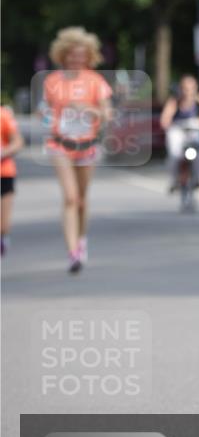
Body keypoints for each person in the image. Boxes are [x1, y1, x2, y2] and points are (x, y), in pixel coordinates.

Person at [41, 27, 113, 273]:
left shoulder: (95, 81)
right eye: (72, 55)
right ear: (63, 55)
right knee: (70, 197)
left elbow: (107, 114)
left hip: (87, 144)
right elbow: (45, 112)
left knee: (81, 200)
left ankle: (81, 240)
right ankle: (72, 253)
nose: (77, 59)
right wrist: (46, 117)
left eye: (82, 55)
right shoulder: (52, 81)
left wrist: (88, 110)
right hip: (60, 144)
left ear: (89, 56)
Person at [160, 76, 199, 191]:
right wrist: (167, 125)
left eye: (191, 88)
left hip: (194, 128)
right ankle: (173, 180)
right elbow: (166, 117)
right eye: (185, 88)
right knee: (174, 153)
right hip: (178, 129)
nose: (188, 92)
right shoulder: (175, 100)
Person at [1, 105, 24, 256]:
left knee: (3, 225)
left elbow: (18, 142)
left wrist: (3, 152)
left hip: (4, 173)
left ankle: (3, 238)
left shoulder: (3, 115)